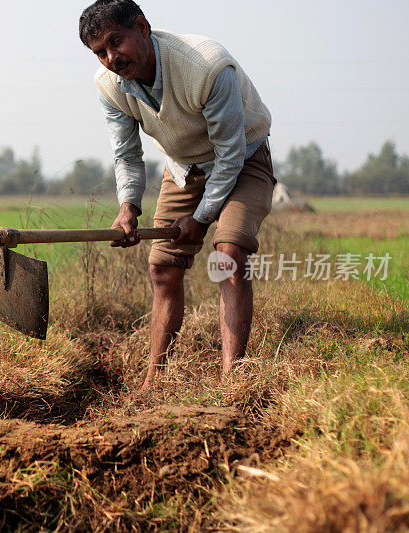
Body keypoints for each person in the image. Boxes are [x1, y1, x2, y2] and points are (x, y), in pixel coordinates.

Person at [79, 0, 276, 388]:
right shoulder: (110, 86)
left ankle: (232, 382)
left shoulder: (206, 66)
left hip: (244, 157)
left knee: (228, 254)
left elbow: (230, 154)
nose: (111, 58)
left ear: (142, 27)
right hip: (184, 166)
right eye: (99, 52)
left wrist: (201, 219)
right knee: (162, 268)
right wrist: (128, 207)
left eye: (116, 42)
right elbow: (126, 154)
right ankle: (155, 380)